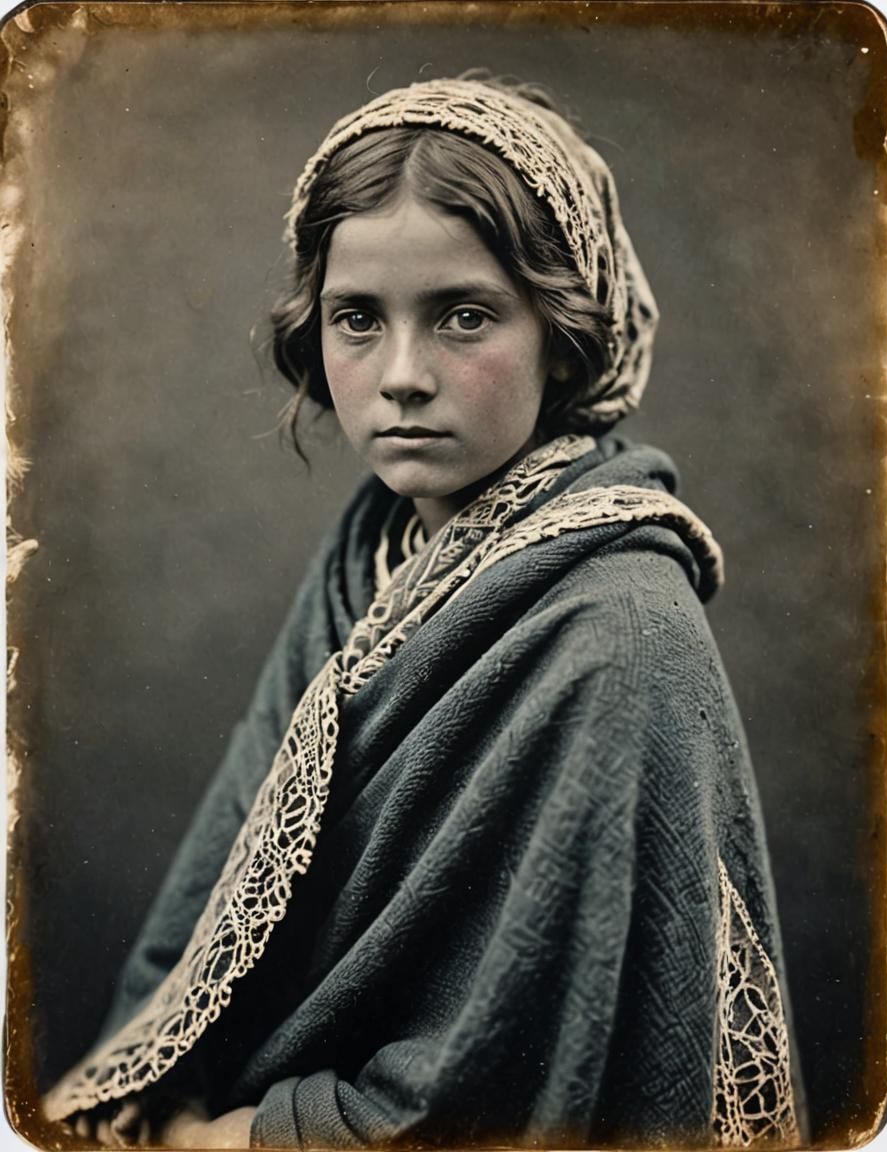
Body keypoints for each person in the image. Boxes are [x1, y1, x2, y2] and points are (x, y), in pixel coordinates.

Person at [44, 75, 803, 1149]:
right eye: (357, 319)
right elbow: (217, 903)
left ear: (564, 332)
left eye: (463, 316)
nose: (400, 376)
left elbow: (499, 1082)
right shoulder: (373, 549)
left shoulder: (617, 628)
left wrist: (225, 1141)